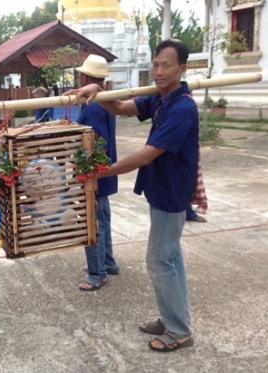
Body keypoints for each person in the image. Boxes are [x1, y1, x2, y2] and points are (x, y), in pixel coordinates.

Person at [67, 39, 198, 352]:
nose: (159, 71)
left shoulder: (182, 108)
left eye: (167, 65)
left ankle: (178, 330)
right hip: (161, 190)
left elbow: (145, 155)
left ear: (183, 68)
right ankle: (173, 318)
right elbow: (123, 108)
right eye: (155, 64)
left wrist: (102, 171)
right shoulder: (161, 98)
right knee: (171, 258)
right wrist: (99, 94)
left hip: (172, 193)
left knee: (158, 261)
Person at [74, 55, 119, 291]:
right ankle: (108, 262)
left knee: (92, 223)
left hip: (95, 176)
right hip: (105, 173)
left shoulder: (93, 107)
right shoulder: (106, 100)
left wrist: (84, 170)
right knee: (103, 220)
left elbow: (96, 145)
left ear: (85, 77)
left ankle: (97, 272)